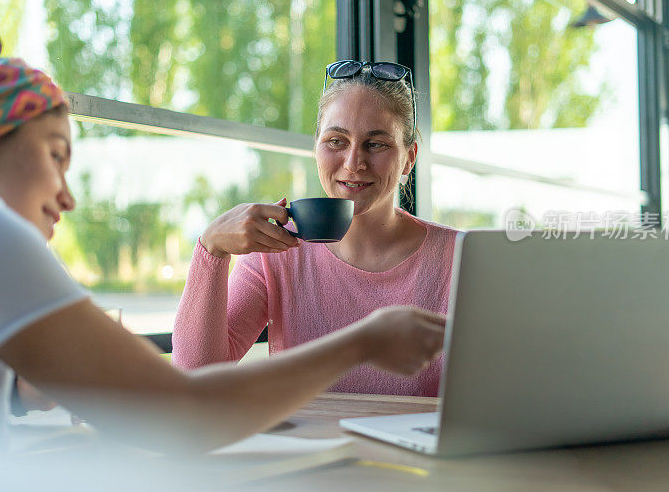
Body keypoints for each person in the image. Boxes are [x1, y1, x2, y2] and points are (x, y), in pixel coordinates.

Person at [0, 24, 446, 452]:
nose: (68, 199)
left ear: (408, 157)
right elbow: (185, 411)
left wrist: (19, 390)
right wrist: (366, 341)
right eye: (56, 156)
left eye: (375, 144)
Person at [172, 60, 459, 397]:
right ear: (317, 148)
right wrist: (211, 250)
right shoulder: (276, 251)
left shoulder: (459, 257)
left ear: (409, 158)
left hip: (414, 450)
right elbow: (195, 381)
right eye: (337, 141)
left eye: (376, 144)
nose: (354, 163)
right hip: (306, 449)